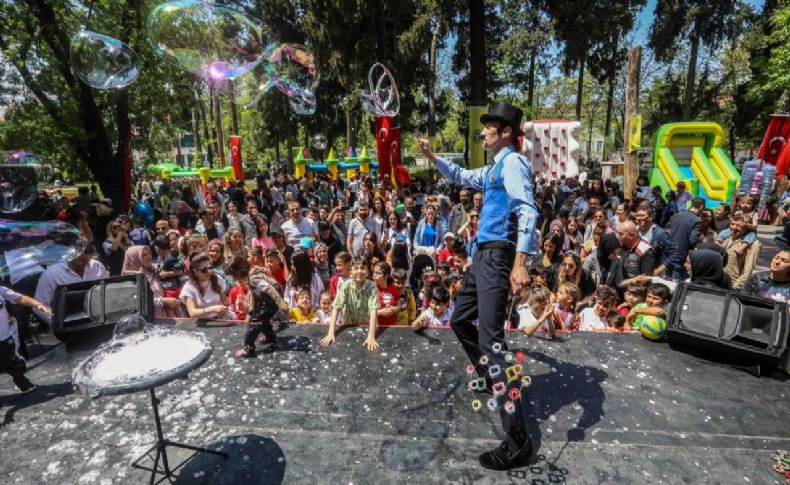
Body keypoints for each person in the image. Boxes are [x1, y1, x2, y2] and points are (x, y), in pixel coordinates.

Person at [418, 102, 537, 470]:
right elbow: (458, 174)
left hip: (499, 256)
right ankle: (489, 376)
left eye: (488, 127)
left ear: (505, 132)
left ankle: (518, 440)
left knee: (491, 342)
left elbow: (527, 210)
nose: (482, 132)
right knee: (459, 320)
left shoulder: (514, 163)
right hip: (481, 256)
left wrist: (520, 263)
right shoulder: (494, 167)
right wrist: (432, 156)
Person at [33, 245, 109, 325]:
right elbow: (39, 305)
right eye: (81, 260)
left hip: (100, 320)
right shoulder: (51, 274)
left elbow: (108, 292)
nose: (85, 264)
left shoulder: (97, 267)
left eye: (88, 261)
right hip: (69, 325)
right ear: (71, 255)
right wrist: (57, 323)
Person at [320, 256, 380, 350]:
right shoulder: (346, 286)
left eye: (363, 268)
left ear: (368, 272)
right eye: (356, 268)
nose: (359, 271)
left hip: (367, 326)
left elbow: (373, 310)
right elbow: (336, 307)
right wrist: (331, 333)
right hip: (349, 326)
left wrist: (371, 336)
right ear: (350, 272)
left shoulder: (372, 286)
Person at [0, 285, 51, 393]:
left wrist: (38, 305)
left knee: (16, 364)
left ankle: (20, 381)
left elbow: (20, 298)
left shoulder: (1, 290)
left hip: (4, 339)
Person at [122, 246, 182, 318]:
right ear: (135, 259)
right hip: (148, 321)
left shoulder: (155, 270)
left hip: (166, 317)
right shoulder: (130, 280)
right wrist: (162, 301)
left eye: (149, 254)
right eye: (144, 255)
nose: (149, 257)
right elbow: (136, 303)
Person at [179, 253, 234, 320]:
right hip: (202, 323)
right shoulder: (189, 288)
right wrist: (212, 309)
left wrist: (227, 303)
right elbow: (192, 313)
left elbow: (224, 302)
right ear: (195, 272)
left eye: (210, 268)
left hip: (221, 319)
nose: (208, 272)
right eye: (204, 270)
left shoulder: (218, 279)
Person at [720, 215, 762, 289]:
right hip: (717, 280)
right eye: (732, 224)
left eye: (738, 225)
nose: (733, 227)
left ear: (747, 228)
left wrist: (736, 287)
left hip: (731, 284)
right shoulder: (726, 237)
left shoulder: (753, 244)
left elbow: (748, 270)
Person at [665, 197, 703, 279]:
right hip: (681, 254)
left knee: (665, 278)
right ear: (701, 207)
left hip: (668, 252)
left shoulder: (677, 215)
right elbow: (693, 240)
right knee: (676, 283)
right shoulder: (697, 221)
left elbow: (667, 230)